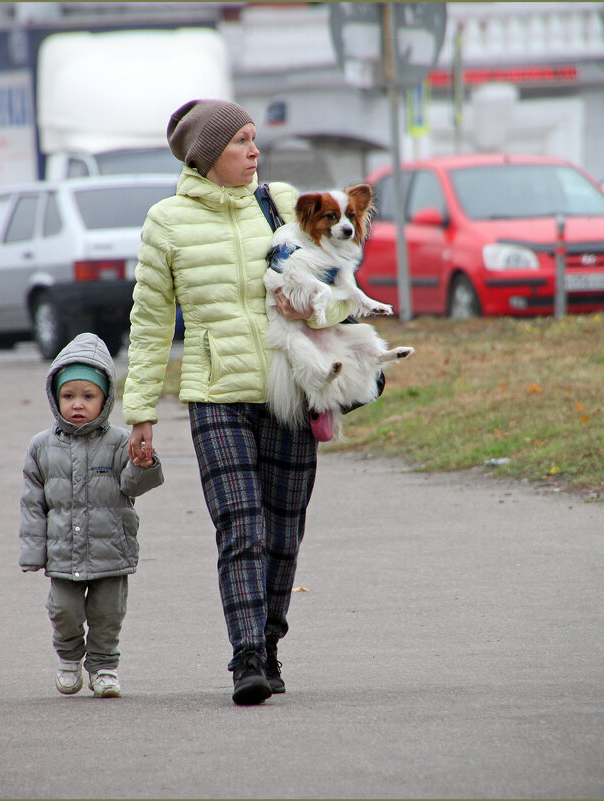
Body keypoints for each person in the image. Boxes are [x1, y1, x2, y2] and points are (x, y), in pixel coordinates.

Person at [123, 99, 353, 705]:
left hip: (290, 392)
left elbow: (338, 273)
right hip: (215, 396)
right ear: (207, 154)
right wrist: (139, 412)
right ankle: (247, 655)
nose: (255, 151)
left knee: (283, 532)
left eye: (255, 139)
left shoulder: (278, 201)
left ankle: (271, 642)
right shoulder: (165, 222)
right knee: (241, 526)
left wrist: (318, 306)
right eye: (241, 142)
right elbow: (150, 323)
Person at [19, 332, 164, 698]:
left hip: (110, 549)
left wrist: (142, 463)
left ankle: (103, 667)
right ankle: (69, 657)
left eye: (88, 396)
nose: (78, 405)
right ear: (55, 397)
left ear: (106, 398)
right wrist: (33, 552)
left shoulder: (118, 442)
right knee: (64, 611)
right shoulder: (41, 447)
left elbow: (133, 486)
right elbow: (33, 504)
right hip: (63, 551)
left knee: (107, 616)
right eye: (68, 396)